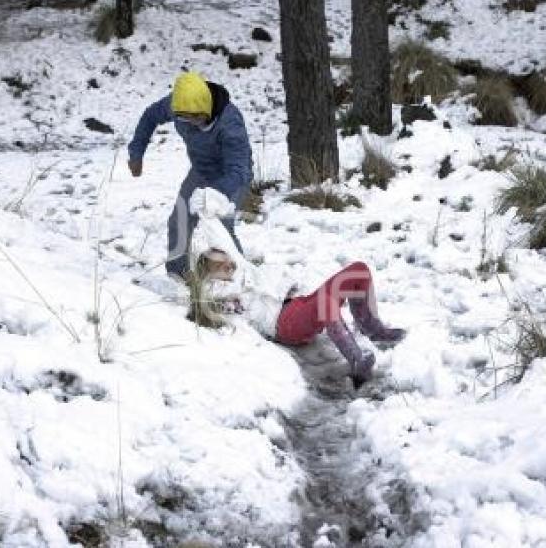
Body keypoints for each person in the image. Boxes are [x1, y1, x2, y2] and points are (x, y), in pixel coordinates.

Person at [188, 189, 406, 387]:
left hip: (297, 306)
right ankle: (356, 359)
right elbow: (210, 302)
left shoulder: (241, 270)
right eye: (218, 266)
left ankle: (371, 327)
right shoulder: (217, 293)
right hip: (285, 324)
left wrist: (206, 210)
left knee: (359, 270)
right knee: (325, 303)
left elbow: (221, 237)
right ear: (205, 273)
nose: (227, 265)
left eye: (227, 260)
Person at [128, 71, 252, 278]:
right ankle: (178, 274)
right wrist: (136, 152)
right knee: (179, 220)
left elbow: (239, 169)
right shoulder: (179, 107)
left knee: (222, 228)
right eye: (184, 118)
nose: (190, 122)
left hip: (231, 178)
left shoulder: (230, 123)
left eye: (196, 118)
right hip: (200, 172)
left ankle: (241, 279)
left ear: (206, 108)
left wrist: (213, 194)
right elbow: (150, 116)